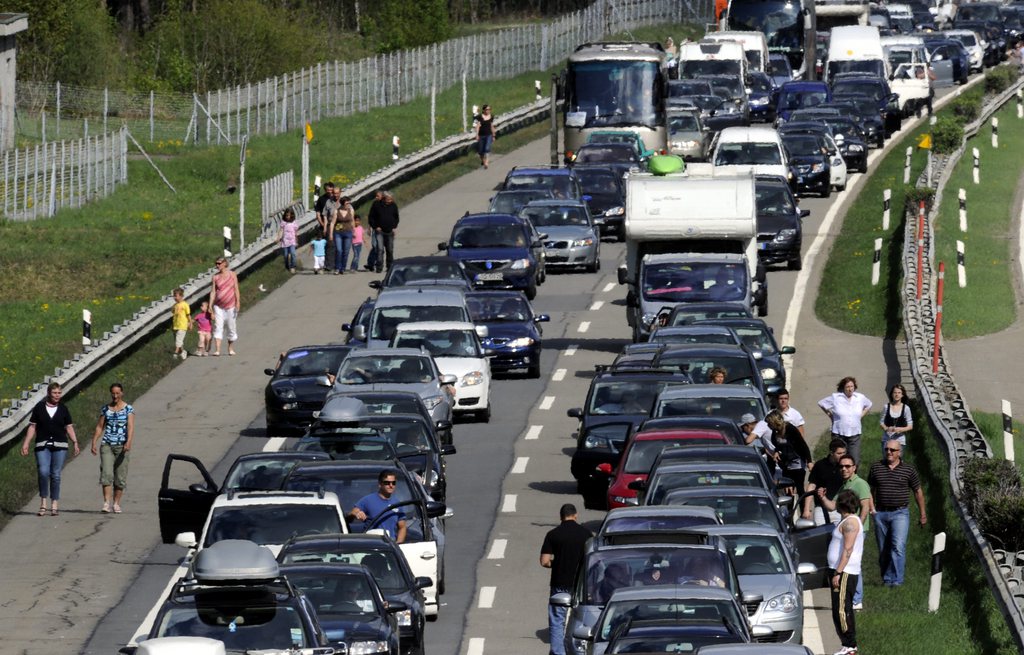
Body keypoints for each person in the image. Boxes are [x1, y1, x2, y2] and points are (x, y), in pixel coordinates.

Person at [867, 439, 927, 587]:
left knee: (898, 546)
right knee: (883, 548)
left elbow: (918, 492)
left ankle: (897, 580)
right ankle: (887, 579)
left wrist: (922, 514)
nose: (889, 452)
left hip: (900, 513)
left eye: (892, 450)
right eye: (886, 449)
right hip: (880, 512)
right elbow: (871, 489)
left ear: (899, 452)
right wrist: (871, 508)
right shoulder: (876, 467)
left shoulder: (909, 469)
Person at [819, 454, 872, 610]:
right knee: (848, 562)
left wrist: (857, 528)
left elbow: (865, 508)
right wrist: (822, 497)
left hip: (855, 531)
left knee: (853, 564)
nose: (844, 469)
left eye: (848, 466)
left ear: (854, 467)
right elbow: (832, 506)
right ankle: (851, 597)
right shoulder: (844, 486)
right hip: (850, 529)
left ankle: (856, 599)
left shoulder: (860, 484)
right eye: (841, 466)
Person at [540, 503, 592, 655]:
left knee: (557, 621)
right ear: (576, 515)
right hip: (581, 586)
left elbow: (544, 561)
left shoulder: (553, 534)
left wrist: (557, 564)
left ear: (561, 517)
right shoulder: (586, 534)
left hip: (559, 584)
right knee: (581, 619)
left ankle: (558, 652)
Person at [20, 382, 79, 517]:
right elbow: (32, 426)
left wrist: (75, 442)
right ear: (48, 393)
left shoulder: (63, 408)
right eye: (54, 393)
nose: (57, 395)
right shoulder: (39, 408)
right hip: (42, 444)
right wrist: (26, 443)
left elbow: (69, 427)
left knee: (56, 474)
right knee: (43, 471)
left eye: (59, 393)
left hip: (60, 445)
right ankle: (43, 502)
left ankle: (54, 504)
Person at [827, 490, 864, 655]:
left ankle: (850, 645)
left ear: (843, 504)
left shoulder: (851, 523)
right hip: (840, 571)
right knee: (838, 608)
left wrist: (838, 572)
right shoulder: (845, 521)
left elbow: (848, 550)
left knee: (841, 609)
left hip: (845, 572)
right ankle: (846, 644)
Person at [89, 382, 135, 514]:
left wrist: (129, 442)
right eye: (113, 393)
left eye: (117, 393)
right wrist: (94, 442)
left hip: (122, 446)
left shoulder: (128, 409)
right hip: (107, 444)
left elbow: (131, 427)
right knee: (107, 473)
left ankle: (116, 503)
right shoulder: (106, 409)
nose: (115, 396)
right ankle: (106, 503)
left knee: (120, 477)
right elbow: (99, 426)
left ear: (122, 393)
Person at [819, 376, 873, 465]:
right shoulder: (836, 397)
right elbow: (821, 403)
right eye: (847, 387)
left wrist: (861, 415)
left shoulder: (860, 397)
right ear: (843, 388)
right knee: (838, 460)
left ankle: (852, 477)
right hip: (839, 434)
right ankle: (837, 477)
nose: (850, 389)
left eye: (851, 386)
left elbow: (869, 404)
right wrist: (830, 415)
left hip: (854, 434)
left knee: (854, 460)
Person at [348, 469, 407, 543]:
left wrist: (398, 543)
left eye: (393, 483)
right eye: (387, 483)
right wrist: (356, 514)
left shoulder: (397, 503)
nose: (391, 485)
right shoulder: (368, 500)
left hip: (390, 545)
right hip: (371, 543)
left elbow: (402, 527)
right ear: (380, 484)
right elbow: (352, 513)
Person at [765, 410, 812, 494]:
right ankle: (789, 506)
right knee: (787, 488)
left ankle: (803, 506)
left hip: (797, 461)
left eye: (769, 423)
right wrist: (776, 451)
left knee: (799, 487)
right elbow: (777, 445)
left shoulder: (790, 429)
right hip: (786, 463)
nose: (768, 426)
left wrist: (809, 461)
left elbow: (803, 445)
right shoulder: (775, 432)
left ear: (774, 422)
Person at [803, 438, 848, 526]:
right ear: (831, 453)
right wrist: (806, 508)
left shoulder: (846, 466)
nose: (842, 456)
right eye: (839, 453)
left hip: (839, 508)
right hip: (821, 508)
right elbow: (811, 486)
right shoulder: (820, 465)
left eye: (844, 453)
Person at [368, 191, 400, 272]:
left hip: (390, 231)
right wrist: (375, 226)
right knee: (380, 249)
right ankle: (379, 267)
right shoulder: (376, 205)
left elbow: (396, 217)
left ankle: (389, 266)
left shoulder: (393, 205)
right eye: (388, 199)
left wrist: (394, 226)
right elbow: (371, 217)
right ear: (384, 198)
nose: (390, 201)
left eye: (391, 199)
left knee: (390, 249)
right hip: (380, 231)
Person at [880, 383, 913, 454]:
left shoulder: (906, 408)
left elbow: (910, 426)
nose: (897, 395)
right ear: (892, 394)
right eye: (895, 392)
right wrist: (886, 428)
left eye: (899, 393)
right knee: (886, 460)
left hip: (899, 439)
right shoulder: (886, 407)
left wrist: (900, 429)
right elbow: (881, 422)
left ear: (902, 395)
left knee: (898, 461)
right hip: (887, 439)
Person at [331, 195, 355, 275]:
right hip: (338, 233)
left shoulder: (351, 210)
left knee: (346, 251)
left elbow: (352, 221)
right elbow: (332, 223)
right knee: (339, 250)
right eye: (347, 203)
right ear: (343, 203)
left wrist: (354, 231)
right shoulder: (336, 211)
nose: (348, 204)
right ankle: (337, 268)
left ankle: (343, 268)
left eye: (349, 203)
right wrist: (331, 234)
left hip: (348, 233)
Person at [364, 189, 384, 272]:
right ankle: (370, 263)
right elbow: (370, 216)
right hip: (375, 229)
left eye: (378, 196)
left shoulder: (386, 204)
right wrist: (369, 227)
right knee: (375, 246)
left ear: (382, 196)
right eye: (375, 196)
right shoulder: (375, 204)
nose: (376, 197)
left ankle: (378, 263)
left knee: (380, 247)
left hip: (383, 230)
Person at [171, 287, 191, 361]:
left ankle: (175, 353)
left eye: (176, 296)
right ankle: (183, 351)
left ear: (181, 296)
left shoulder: (185, 304)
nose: (174, 297)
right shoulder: (175, 305)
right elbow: (173, 312)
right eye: (174, 296)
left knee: (178, 340)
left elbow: (188, 315)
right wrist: (173, 308)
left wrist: (190, 323)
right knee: (178, 340)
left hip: (182, 325)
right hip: (176, 325)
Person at [278, 207, 299, 273]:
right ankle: (287, 265)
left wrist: (296, 240)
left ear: (292, 215)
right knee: (286, 255)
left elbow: (295, 233)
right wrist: (278, 238)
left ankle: (293, 266)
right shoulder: (283, 223)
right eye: (286, 215)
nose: (287, 217)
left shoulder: (294, 223)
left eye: (289, 215)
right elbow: (281, 230)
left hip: (292, 241)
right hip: (285, 242)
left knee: (293, 254)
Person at [475, 104, 496, 169]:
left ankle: (486, 163)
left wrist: (493, 135)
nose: (488, 111)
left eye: (489, 109)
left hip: (488, 135)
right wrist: (477, 135)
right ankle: (483, 161)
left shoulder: (491, 116)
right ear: (483, 110)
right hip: (481, 135)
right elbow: (478, 126)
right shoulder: (480, 117)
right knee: (481, 151)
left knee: (487, 148)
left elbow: (491, 126)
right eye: (487, 109)